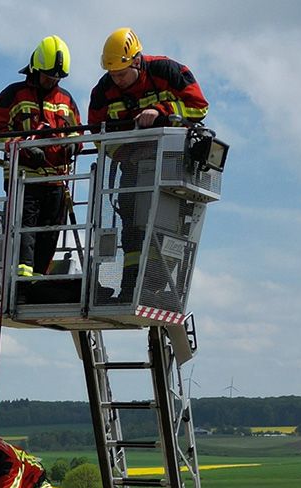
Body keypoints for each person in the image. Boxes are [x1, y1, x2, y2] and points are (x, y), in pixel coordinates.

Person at [87, 27, 209, 302]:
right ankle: (131, 289)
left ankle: (153, 287)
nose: (116, 80)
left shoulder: (168, 71)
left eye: (121, 74)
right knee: (131, 225)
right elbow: (98, 134)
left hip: (170, 166)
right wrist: (123, 156)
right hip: (131, 167)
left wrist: (162, 112)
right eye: (112, 74)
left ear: (137, 60)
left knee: (162, 226)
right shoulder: (103, 91)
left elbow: (198, 107)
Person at [0, 35, 83, 280]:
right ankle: (22, 282)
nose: (52, 81)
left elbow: (77, 132)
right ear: (35, 69)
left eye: (56, 78)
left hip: (56, 182)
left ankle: (39, 280)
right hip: (24, 181)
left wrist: (74, 146)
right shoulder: (13, 95)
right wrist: (25, 147)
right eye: (48, 76)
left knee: (50, 234)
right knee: (25, 233)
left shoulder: (66, 100)